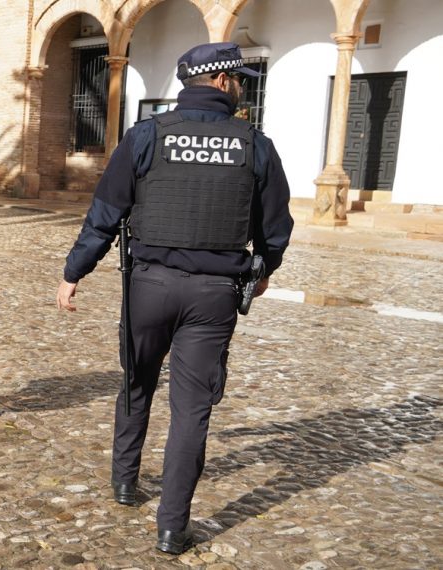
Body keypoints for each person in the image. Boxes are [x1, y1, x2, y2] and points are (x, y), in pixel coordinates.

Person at [55, 42, 293, 554]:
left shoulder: (146, 135)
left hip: (149, 286)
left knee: (136, 381)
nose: (242, 86)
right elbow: (276, 224)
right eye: (239, 78)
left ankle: (124, 480)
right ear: (224, 82)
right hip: (214, 295)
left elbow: (106, 211)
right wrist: (266, 268)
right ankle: (172, 526)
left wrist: (75, 271)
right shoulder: (255, 144)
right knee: (192, 410)